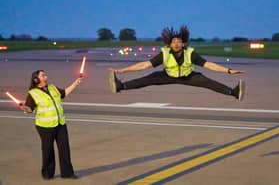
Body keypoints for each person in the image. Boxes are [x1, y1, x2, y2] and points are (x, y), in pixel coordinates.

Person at [109, 25, 245, 100]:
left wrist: (228, 71)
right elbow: (145, 64)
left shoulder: (190, 53)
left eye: (179, 41)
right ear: (170, 43)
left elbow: (208, 64)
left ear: (183, 43)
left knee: (209, 83)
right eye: (173, 41)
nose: (176, 43)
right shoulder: (165, 53)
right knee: (147, 79)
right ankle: (120, 86)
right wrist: (123, 70)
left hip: (189, 77)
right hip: (167, 75)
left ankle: (234, 92)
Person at [19, 70, 82, 180]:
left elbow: (64, 93)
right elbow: (30, 109)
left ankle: (67, 173)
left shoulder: (52, 87)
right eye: (43, 75)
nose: (46, 76)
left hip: (60, 123)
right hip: (45, 126)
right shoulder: (33, 93)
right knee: (48, 150)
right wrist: (26, 108)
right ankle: (47, 173)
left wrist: (75, 84)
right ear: (36, 79)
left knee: (65, 149)